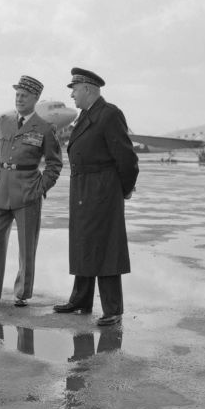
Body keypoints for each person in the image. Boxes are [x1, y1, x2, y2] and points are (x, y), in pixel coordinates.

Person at [0, 75, 63, 307]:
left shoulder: (45, 128)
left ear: (36, 99)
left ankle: (22, 293)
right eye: (17, 95)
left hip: (27, 191)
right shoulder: (4, 121)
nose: (19, 99)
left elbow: (54, 164)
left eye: (24, 96)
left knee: (27, 246)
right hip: (0, 189)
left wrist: (39, 188)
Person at [53, 68, 139, 326]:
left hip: (102, 189)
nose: (72, 94)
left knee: (106, 247)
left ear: (88, 89)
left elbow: (127, 159)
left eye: (75, 89)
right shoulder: (86, 116)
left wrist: (121, 190)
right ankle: (80, 298)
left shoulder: (109, 114)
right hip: (83, 188)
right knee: (83, 242)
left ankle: (113, 308)